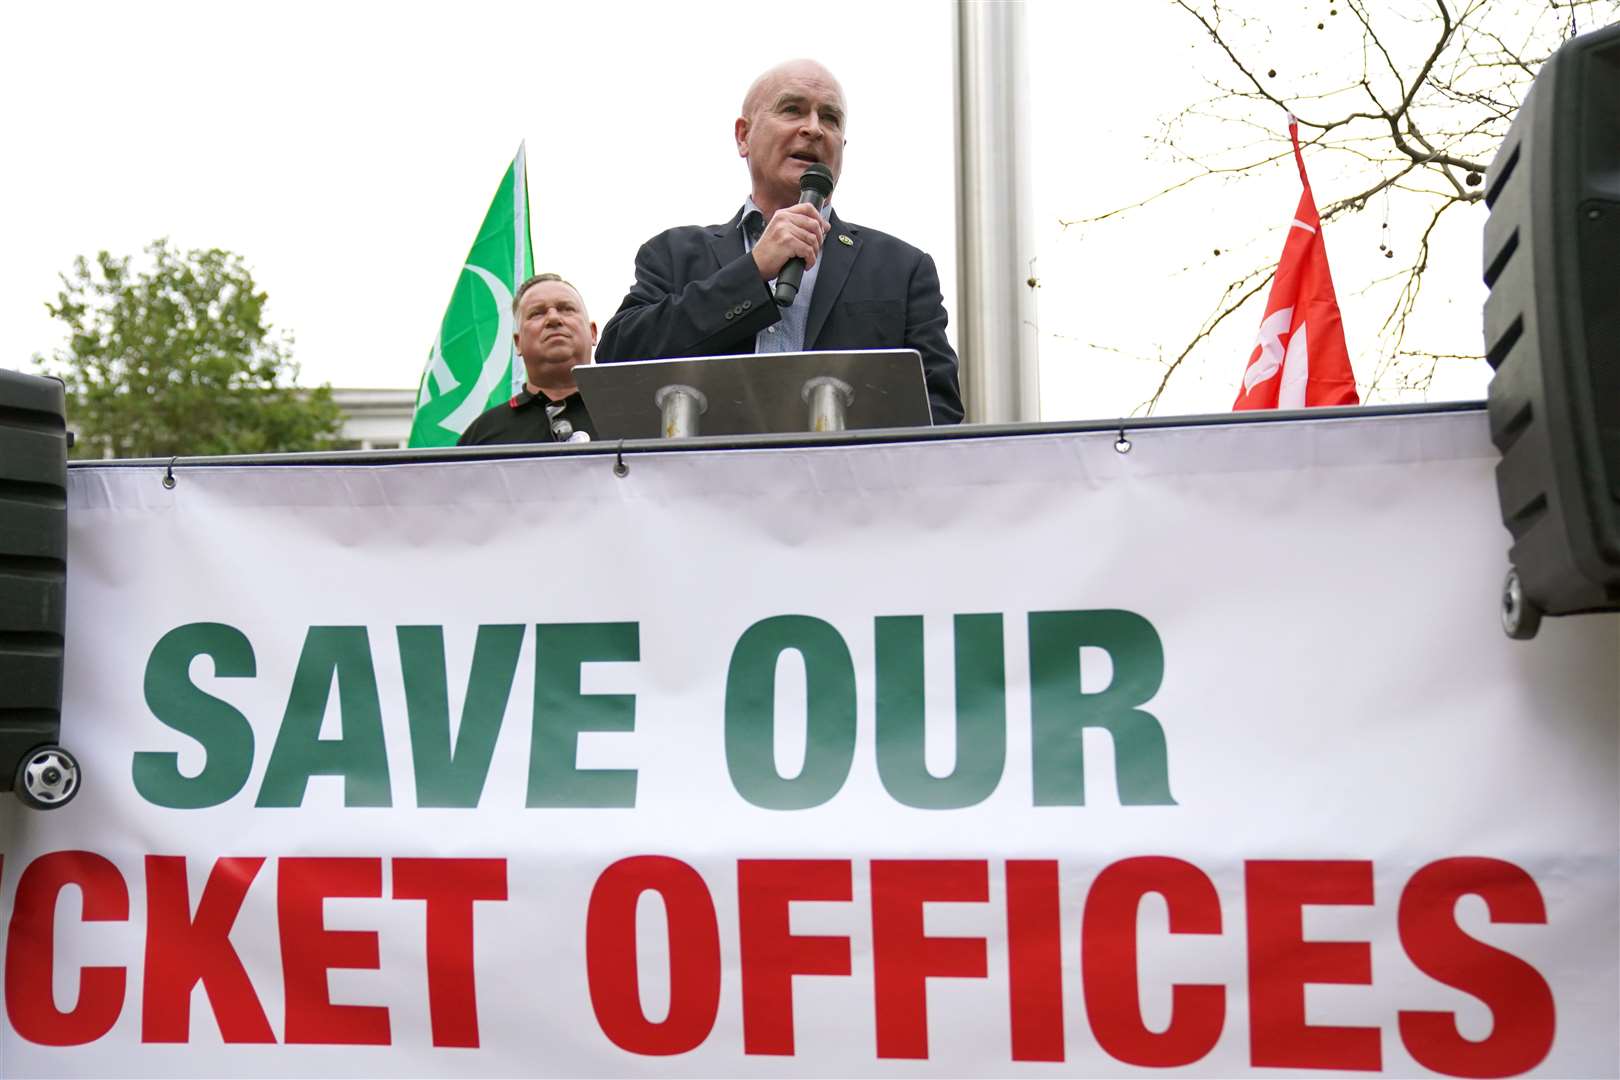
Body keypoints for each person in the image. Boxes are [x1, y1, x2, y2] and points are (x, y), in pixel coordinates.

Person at [595, 59, 964, 426]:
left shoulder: (902, 269)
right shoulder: (673, 255)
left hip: (847, 481)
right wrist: (752, 271)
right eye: (792, 110)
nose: (814, 129)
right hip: (711, 479)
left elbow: (940, 411)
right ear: (743, 136)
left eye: (831, 119)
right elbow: (618, 357)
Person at [458, 273, 598, 445]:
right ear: (518, 343)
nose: (553, 319)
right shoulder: (482, 436)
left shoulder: (631, 416)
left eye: (566, 309)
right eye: (537, 313)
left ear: (593, 333)